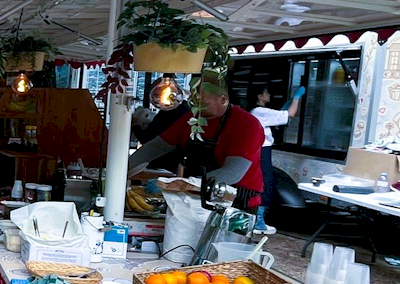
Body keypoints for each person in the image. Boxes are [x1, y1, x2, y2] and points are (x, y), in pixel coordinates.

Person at [127, 73, 266, 214]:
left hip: (236, 203)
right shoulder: (190, 120)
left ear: (223, 99)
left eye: (203, 103)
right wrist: (122, 170)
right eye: (194, 101)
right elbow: (154, 147)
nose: (197, 106)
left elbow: (232, 173)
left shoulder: (247, 125)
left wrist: (179, 185)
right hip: (194, 198)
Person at [248, 86, 304, 234]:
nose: (269, 95)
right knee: (265, 183)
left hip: (259, 150)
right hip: (262, 151)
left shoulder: (257, 112)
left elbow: (278, 119)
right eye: (266, 92)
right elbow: (291, 114)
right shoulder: (260, 112)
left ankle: (257, 220)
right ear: (260, 96)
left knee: (263, 182)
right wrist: (297, 98)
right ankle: (258, 222)